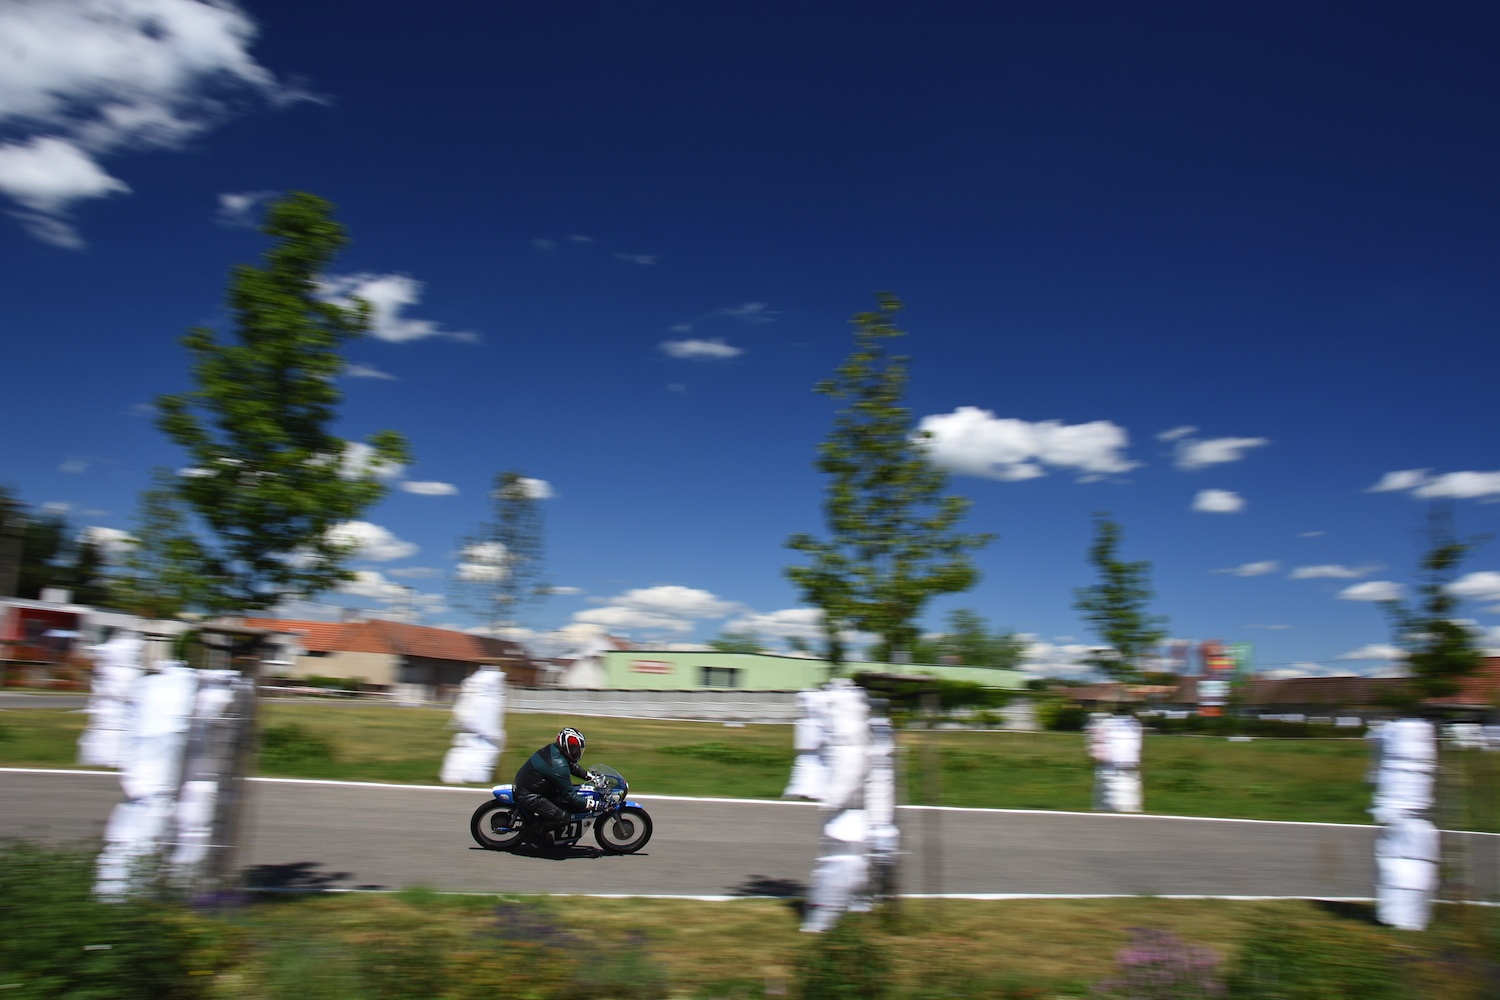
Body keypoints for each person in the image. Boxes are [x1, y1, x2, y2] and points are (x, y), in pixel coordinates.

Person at [513, 727, 602, 845]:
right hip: (529, 794)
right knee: (563, 818)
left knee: (563, 802)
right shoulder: (558, 766)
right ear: (566, 745)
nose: (577, 752)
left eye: (578, 749)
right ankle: (531, 833)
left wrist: (590, 777)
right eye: (574, 748)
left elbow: (570, 765)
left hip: (534, 785)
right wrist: (593, 805)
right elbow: (571, 796)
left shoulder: (555, 750)